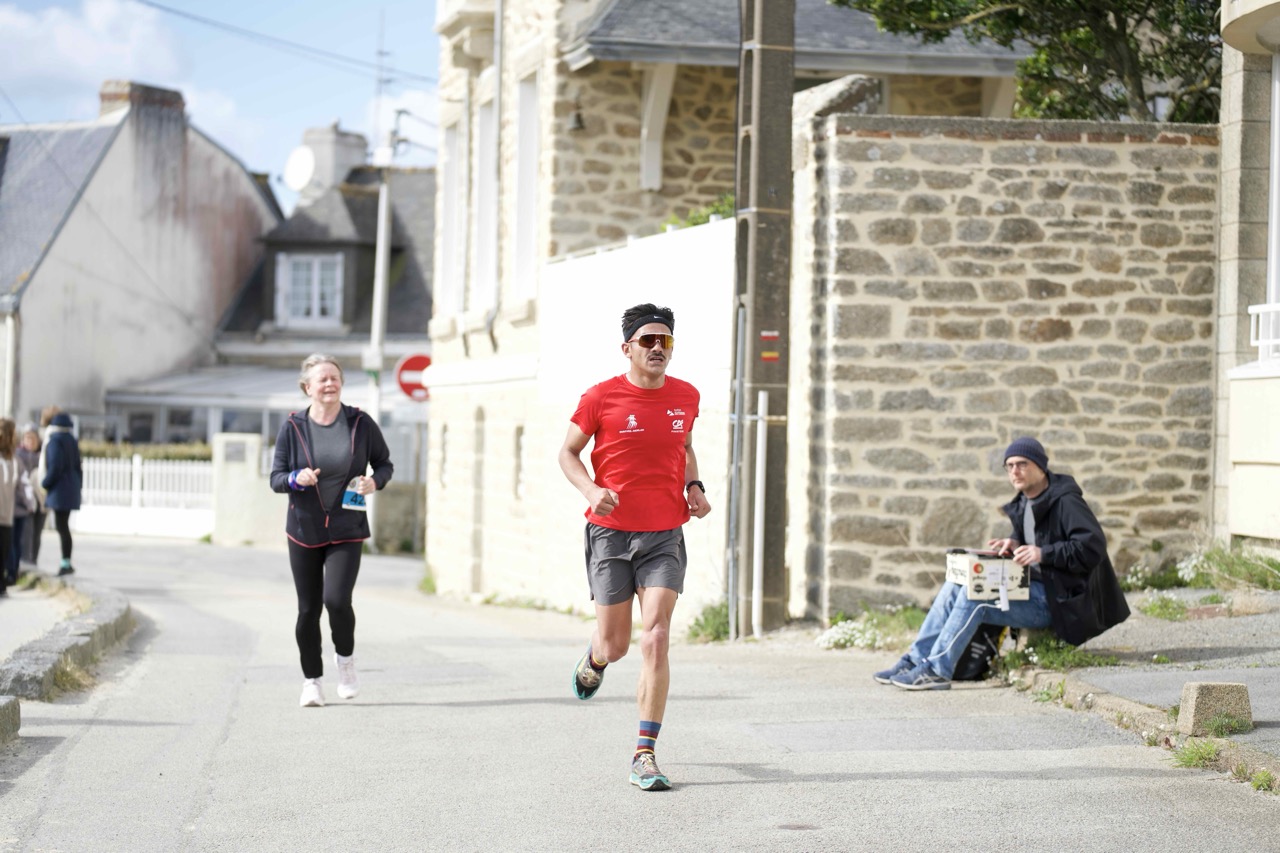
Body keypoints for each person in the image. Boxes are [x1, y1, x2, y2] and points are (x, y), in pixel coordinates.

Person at [558, 303, 712, 791]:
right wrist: (591, 491)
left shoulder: (686, 396)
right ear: (627, 348)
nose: (657, 348)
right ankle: (596, 658)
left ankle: (644, 754)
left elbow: (684, 447)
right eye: (648, 340)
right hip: (611, 532)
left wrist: (694, 486)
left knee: (657, 636)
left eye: (665, 340)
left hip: (664, 532)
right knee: (617, 645)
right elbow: (568, 453)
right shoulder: (600, 397)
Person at [874, 436, 1130, 691]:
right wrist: (1014, 542)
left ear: (1041, 466)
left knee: (976, 596)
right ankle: (915, 659)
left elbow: (1092, 546)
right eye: (1009, 466)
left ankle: (937, 670)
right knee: (956, 584)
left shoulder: (1066, 501)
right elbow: (1035, 535)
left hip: (1059, 602)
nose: (1014, 471)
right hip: (1035, 589)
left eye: (1022, 464)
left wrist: (1043, 553)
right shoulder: (1025, 500)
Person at [269, 354, 393, 708]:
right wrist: (296, 478)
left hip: (347, 526)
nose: (329, 383)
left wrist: (374, 482)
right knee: (308, 610)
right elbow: (276, 478)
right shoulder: (292, 427)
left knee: (337, 601)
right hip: (303, 529)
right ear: (307, 387)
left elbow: (384, 463)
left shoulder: (360, 423)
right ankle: (312, 682)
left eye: (334, 377)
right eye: (322, 379)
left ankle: (346, 661)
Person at [41, 411, 82, 577]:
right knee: (64, 527)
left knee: (61, 526)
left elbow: (55, 467)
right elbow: (79, 468)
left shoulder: (55, 441)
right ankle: (66, 561)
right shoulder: (72, 441)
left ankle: (65, 562)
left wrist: (44, 483)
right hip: (72, 489)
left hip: (59, 491)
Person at [0, 419, 33, 596]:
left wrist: (30, 501)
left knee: (5, 550)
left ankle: (2, 582)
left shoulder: (14, 461)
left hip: (6, 515)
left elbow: (23, 482)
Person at [17, 424, 45, 568]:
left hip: (41, 501)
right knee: (27, 532)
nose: (30, 441)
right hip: (25, 501)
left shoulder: (43, 456)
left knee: (37, 533)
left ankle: (33, 561)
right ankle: (26, 561)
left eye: (33, 438)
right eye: (27, 438)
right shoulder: (18, 454)